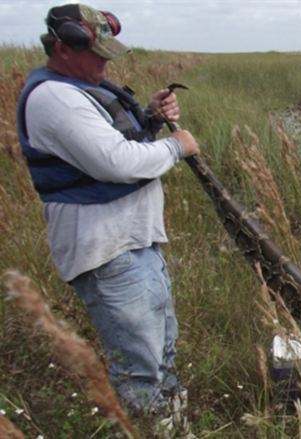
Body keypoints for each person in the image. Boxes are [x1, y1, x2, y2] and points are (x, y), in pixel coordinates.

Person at [15, 3, 200, 416]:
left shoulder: (80, 88)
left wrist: (151, 118)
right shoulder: (54, 98)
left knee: (162, 347)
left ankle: (172, 422)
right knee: (141, 364)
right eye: (96, 55)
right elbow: (116, 163)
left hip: (134, 241)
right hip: (106, 250)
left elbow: (120, 143)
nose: (103, 64)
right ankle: (147, 425)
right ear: (63, 47)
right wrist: (176, 146)